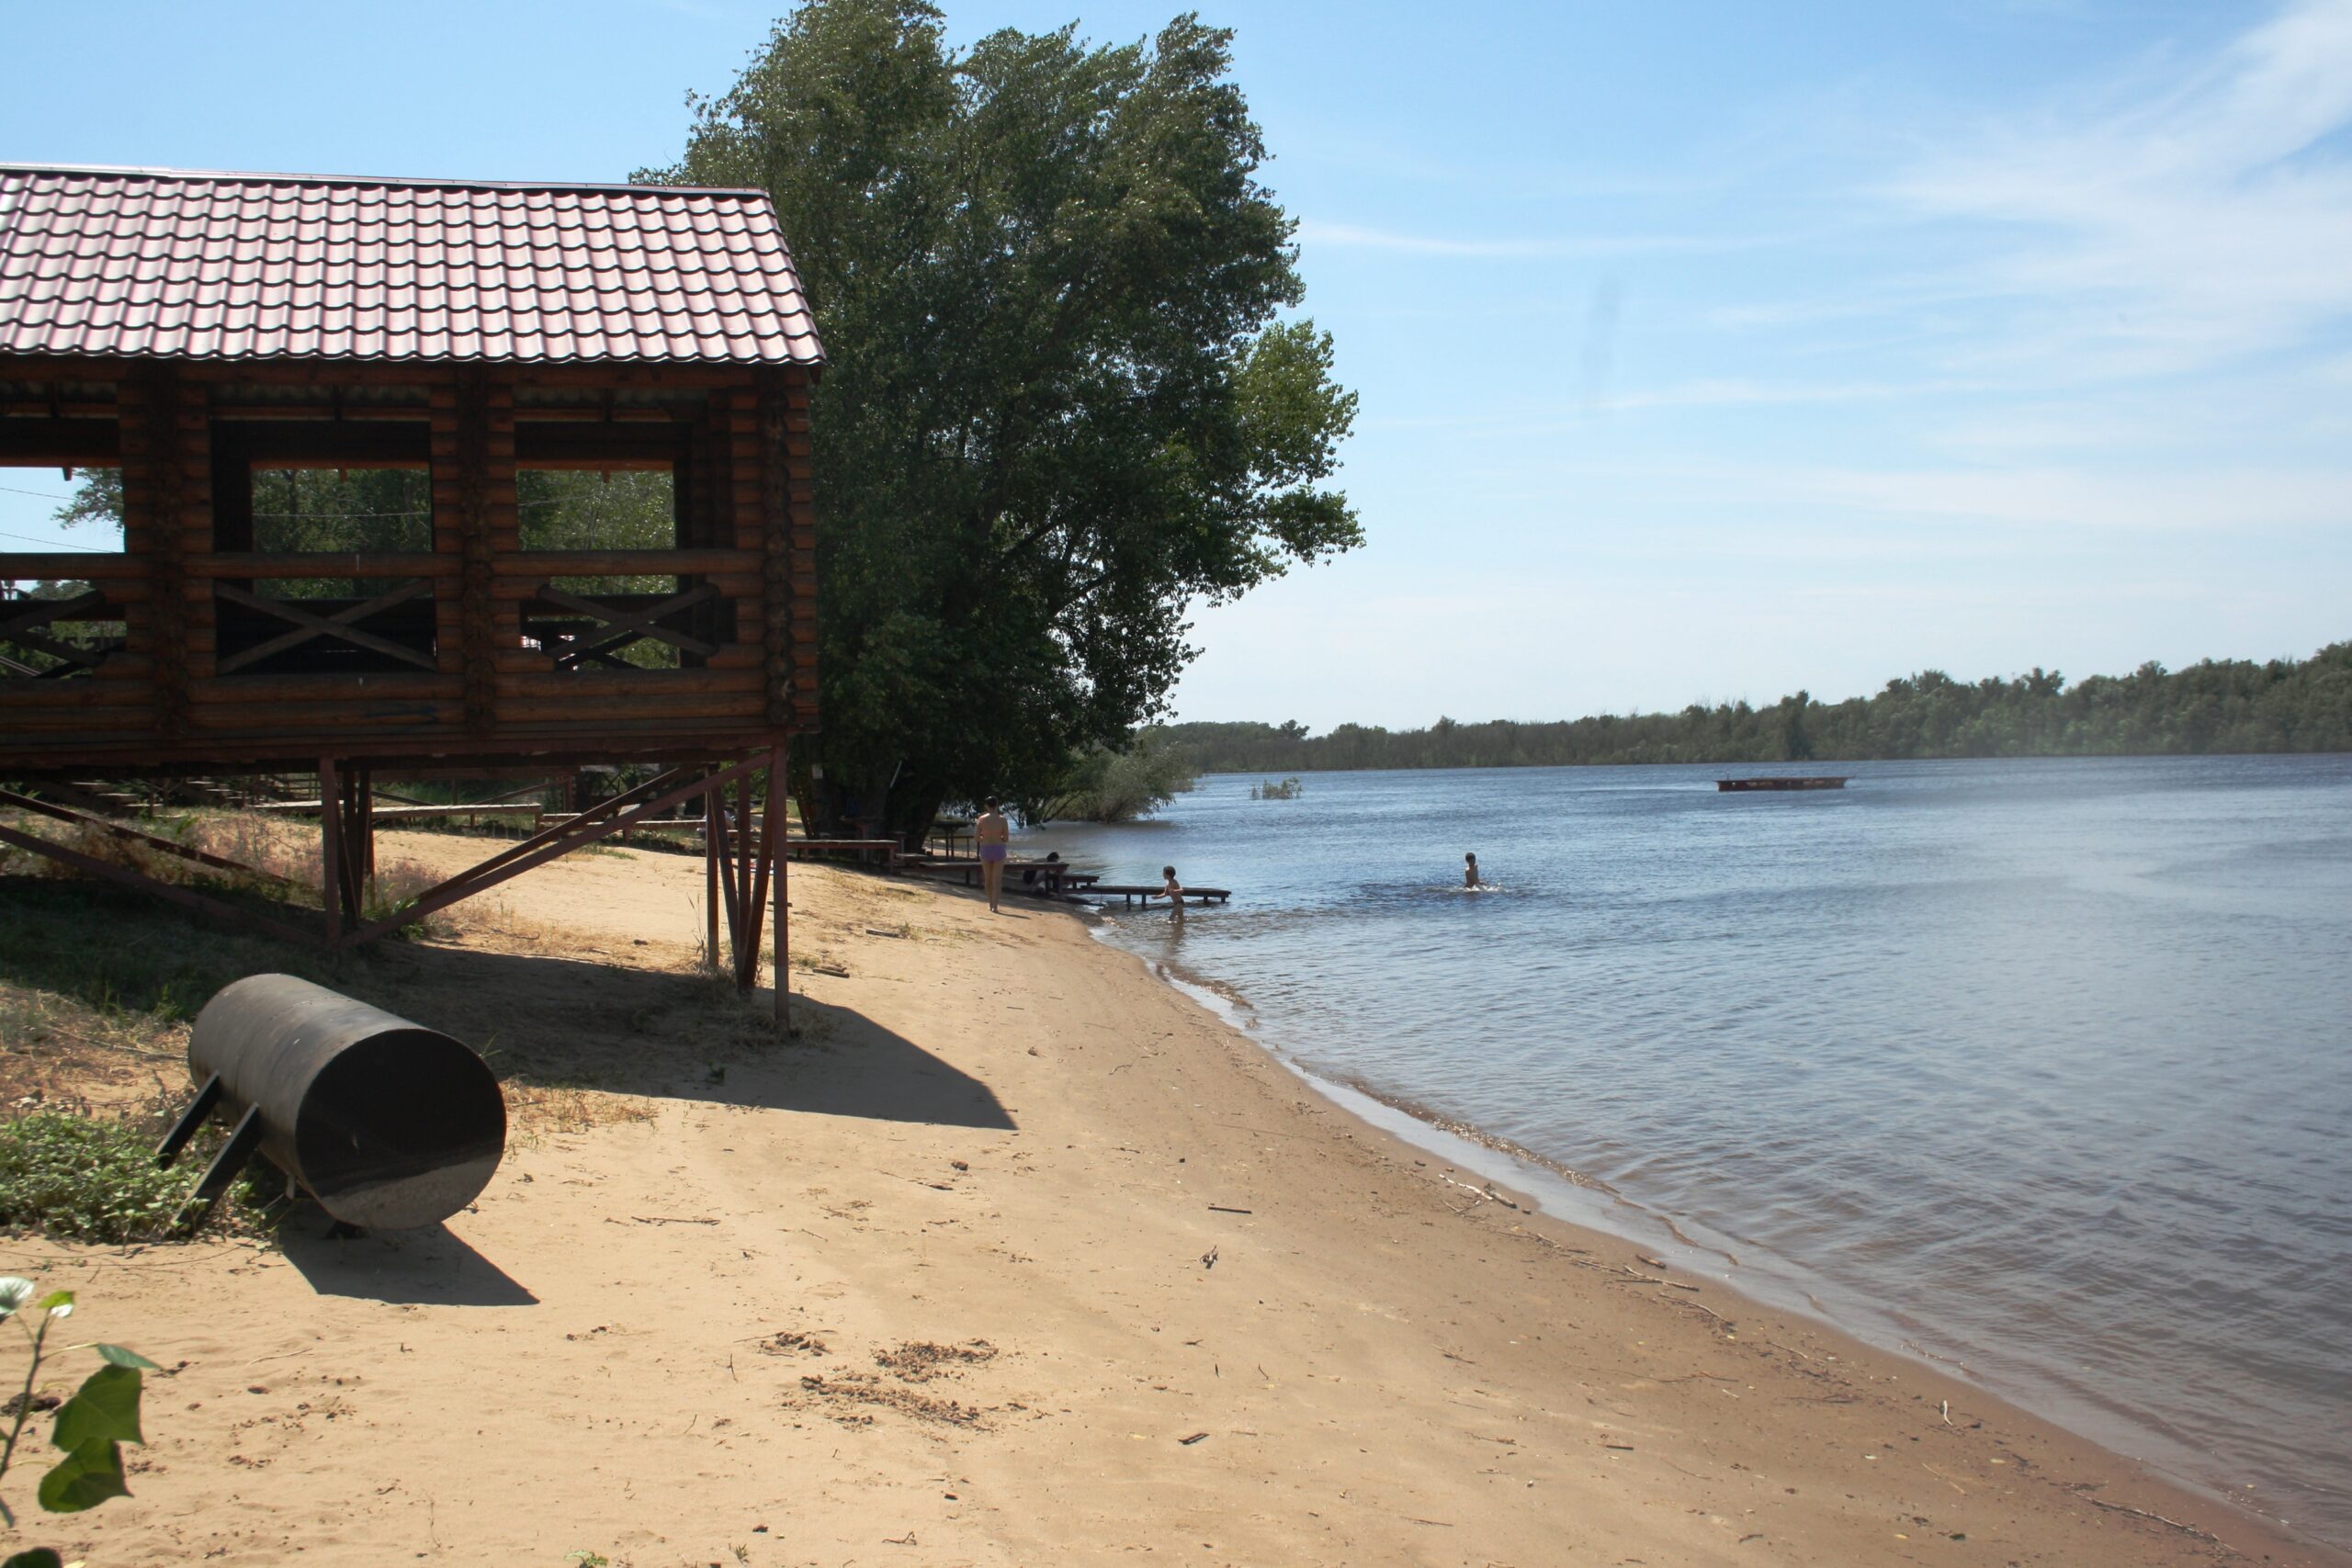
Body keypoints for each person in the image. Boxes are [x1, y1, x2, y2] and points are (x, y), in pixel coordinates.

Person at [975, 796, 1010, 912]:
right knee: (997, 879)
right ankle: (995, 906)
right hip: (999, 849)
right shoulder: (1003, 819)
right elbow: (1006, 838)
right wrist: (998, 837)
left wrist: (984, 838)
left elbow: (976, 837)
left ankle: (990, 904)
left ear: (986, 806)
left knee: (988, 878)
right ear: (997, 805)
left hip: (986, 848)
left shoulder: (981, 819)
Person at [1160, 864, 1185, 928]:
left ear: (1168, 875)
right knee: (1181, 919)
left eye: (1163, 873)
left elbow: (1181, 890)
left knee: (1171, 918)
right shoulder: (1167, 883)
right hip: (1176, 903)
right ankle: (1180, 930)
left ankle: (1173, 932)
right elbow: (1165, 894)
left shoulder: (1174, 882)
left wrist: (1174, 891)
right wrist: (1157, 897)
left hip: (1180, 903)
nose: (1162, 874)